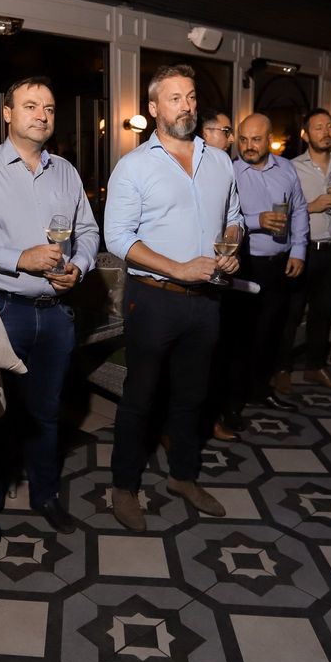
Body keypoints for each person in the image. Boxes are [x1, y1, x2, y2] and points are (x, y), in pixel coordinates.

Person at [0, 75, 100, 544]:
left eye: (49, 108)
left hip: (56, 312)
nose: (42, 115)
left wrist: (78, 267)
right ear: (8, 113)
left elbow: (88, 231)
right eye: (31, 106)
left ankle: (46, 494)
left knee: (47, 411)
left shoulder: (67, 172)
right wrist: (20, 258)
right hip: (2, 309)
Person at [104, 64, 241, 531]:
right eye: (175, 98)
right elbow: (118, 237)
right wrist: (177, 267)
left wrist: (231, 247)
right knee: (140, 397)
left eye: (191, 96)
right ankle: (124, 486)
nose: (186, 106)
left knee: (193, 395)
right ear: (153, 108)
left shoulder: (219, 161)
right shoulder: (134, 166)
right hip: (154, 298)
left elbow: (235, 217)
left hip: (207, 300)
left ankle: (183, 476)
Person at [224, 112, 308, 413]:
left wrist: (298, 250)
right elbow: (221, 218)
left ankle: (261, 389)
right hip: (247, 265)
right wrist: (256, 220)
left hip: (280, 264)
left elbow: (299, 209)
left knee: (272, 331)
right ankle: (234, 399)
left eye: (256, 139)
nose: (248, 146)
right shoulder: (230, 172)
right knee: (242, 335)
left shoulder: (286, 167)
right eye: (244, 139)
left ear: (270, 139)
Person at [278, 108, 331, 390]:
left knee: (324, 312)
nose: (326, 132)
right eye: (319, 127)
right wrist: (312, 206)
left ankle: (315, 367)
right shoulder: (291, 167)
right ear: (306, 134)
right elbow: (280, 212)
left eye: (329, 126)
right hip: (302, 250)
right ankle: (281, 368)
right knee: (292, 313)